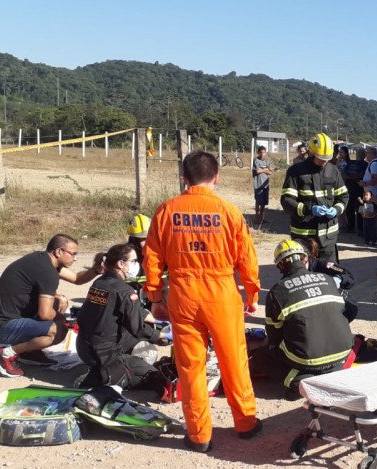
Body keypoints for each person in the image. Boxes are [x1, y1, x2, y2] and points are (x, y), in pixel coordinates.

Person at [143, 150, 263, 452]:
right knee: (233, 360)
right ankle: (246, 424)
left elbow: (153, 257)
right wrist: (252, 294)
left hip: (182, 293)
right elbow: (247, 257)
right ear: (217, 177)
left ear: (184, 178)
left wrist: (156, 296)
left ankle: (199, 436)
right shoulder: (229, 211)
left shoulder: (166, 211)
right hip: (221, 293)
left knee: (191, 366)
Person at [0, 234, 105, 377]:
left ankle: (29, 351)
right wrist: (65, 320)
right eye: (73, 254)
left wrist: (96, 270)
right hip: (1, 326)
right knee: (59, 331)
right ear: (59, 252)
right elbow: (45, 314)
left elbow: (77, 279)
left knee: (60, 302)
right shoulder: (47, 272)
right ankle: (6, 354)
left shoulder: (41, 260)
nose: (75, 258)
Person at [250, 239, 354, 399]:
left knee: (262, 357)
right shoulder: (327, 279)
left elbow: (274, 335)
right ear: (305, 259)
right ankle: (333, 370)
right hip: (344, 350)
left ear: (280, 266)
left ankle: (297, 380)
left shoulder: (277, 292)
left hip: (306, 359)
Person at [76, 243, 170, 395]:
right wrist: (162, 335)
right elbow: (138, 328)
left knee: (142, 345)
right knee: (152, 375)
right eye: (133, 261)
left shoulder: (99, 283)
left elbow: (127, 310)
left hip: (84, 347)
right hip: (104, 354)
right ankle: (98, 377)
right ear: (121, 264)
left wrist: (157, 321)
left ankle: (104, 370)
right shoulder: (125, 290)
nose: (136, 264)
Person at [281, 133, 349, 261]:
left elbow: (343, 196)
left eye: (327, 158)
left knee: (331, 276)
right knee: (306, 277)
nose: (324, 161)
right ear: (311, 153)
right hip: (304, 237)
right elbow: (286, 200)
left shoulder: (333, 170)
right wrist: (309, 209)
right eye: (321, 158)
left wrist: (336, 210)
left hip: (328, 238)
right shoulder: (296, 172)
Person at [302, 238, 359, 322]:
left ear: (305, 258)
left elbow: (349, 277)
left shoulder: (323, 265)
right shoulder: (292, 271)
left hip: (345, 309)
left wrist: (337, 280)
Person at [341, 146, 368, 234]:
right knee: (349, 209)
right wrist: (349, 177)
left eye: (361, 153)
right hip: (350, 189)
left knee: (359, 209)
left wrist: (350, 177)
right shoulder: (351, 162)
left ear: (364, 155)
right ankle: (351, 227)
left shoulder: (365, 164)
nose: (359, 155)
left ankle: (360, 229)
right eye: (358, 153)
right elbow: (343, 173)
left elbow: (361, 175)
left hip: (359, 190)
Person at [125, 213, 151, 289]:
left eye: (147, 238)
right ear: (133, 238)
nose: (143, 244)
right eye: (139, 239)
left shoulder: (163, 249)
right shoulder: (125, 253)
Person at [252, 146, 274, 227]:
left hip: (265, 183)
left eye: (264, 152)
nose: (262, 154)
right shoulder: (256, 160)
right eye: (260, 152)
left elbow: (270, 172)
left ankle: (261, 217)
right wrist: (265, 170)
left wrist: (264, 170)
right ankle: (256, 217)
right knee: (258, 200)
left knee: (264, 202)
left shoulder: (267, 162)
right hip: (258, 184)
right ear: (258, 152)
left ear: (266, 153)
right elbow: (257, 171)